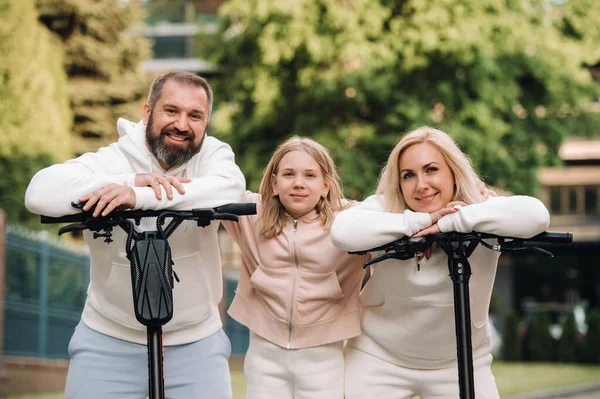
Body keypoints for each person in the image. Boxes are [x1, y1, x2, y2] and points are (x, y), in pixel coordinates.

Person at [25, 71, 246, 399]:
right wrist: (129, 181)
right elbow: (38, 193)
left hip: (195, 339)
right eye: (171, 111)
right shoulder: (112, 159)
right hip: (107, 337)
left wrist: (139, 197)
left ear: (205, 122)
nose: (182, 124)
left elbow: (230, 187)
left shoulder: (212, 155)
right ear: (147, 113)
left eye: (195, 115)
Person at [330, 126, 550, 399]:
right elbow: (342, 231)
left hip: (462, 364)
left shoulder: (479, 209)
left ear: (452, 172)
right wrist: (421, 221)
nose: (421, 184)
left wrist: (453, 221)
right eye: (408, 175)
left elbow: (537, 215)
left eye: (431, 169)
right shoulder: (387, 209)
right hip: (378, 357)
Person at [221, 136, 370, 399]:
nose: (298, 183)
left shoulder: (350, 222)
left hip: (324, 360)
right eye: (289, 174)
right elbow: (214, 185)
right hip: (264, 358)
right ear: (275, 183)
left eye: (310, 175)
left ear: (325, 186)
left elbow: (390, 209)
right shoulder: (250, 214)